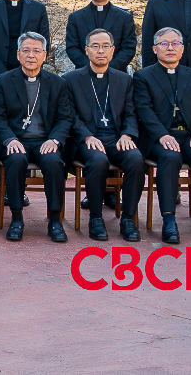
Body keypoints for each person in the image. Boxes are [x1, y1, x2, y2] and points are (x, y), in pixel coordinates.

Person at [133, 27, 191, 245]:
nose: (170, 48)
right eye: (164, 44)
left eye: (175, 43)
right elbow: (144, 110)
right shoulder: (143, 76)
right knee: (170, 157)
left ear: (182, 48)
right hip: (159, 138)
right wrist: (162, 135)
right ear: (155, 49)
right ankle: (169, 219)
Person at [63, 28, 144, 242]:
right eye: (95, 46)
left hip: (117, 138)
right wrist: (88, 137)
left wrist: (128, 134)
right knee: (98, 161)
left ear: (113, 50)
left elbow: (130, 113)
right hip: (86, 140)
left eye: (105, 46)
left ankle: (128, 219)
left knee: (136, 160)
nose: (101, 51)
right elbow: (70, 116)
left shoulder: (124, 80)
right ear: (86, 50)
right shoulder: (71, 79)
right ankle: (96, 219)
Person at [0, 32, 72, 243]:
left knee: (54, 162)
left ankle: (55, 220)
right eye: (26, 50)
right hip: (16, 140)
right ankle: (16, 218)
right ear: (18, 54)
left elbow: (65, 118)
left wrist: (54, 140)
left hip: (45, 140)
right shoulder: (3, 81)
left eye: (37, 51)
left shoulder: (57, 83)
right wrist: (9, 140)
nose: (31, 55)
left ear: (44, 55)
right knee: (16, 159)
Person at [64, 0, 137, 72]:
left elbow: (128, 48)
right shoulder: (76, 17)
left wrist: (108, 69)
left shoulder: (124, 17)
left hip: (117, 74)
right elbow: (72, 48)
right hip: (84, 74)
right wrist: (91, 68)